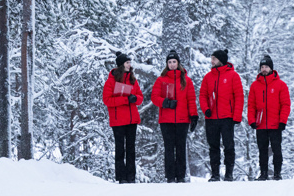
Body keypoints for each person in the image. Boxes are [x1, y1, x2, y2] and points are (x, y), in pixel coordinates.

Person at [151, 50, 198, 183]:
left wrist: (193, 116)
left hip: (183, 120)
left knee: (181, 148)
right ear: (167, 64)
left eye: (174, 62)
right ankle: (170, 176)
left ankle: (181, 176)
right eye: (169, 62)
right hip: (166, 120)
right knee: (169, 148)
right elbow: (154, 97)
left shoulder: (186, 80)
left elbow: (191, 99)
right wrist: (165, 102)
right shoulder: (161, 80)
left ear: (178, 63)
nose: (172, 64)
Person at [199, 49, 244, 181]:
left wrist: (236, 116)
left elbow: (239, 97)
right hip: (211, 118)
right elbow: (202, 95)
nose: (211, 61)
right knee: (213, 146)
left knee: (229, 146)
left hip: (227, 118)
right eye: (211, 58)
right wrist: (205, 109)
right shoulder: (208, 77)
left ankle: (229, 174)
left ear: (221, 60)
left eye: (214, 59)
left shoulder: (233, 76)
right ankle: (215, 174)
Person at [102, 51, 143, 183]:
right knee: (120, 149)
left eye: (130, 62)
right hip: (118, 121)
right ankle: (121, 177)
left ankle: (131, 177)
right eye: (127, 62)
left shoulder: (133, 80)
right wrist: (125, 100)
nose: (129, 65)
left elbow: (140, 98)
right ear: (121, 65)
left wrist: (134, 98)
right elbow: (107, 100)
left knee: (131, 149)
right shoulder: (110, 82)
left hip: (132, 120)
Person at [247, 55, 290, 181]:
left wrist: (283, 121)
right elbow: (251, 105)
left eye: (266, 67)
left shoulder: (281, 85)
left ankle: (277, 173)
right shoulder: (255, 86)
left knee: (277, 149)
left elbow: (285, 104)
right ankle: (263, 173)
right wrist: (252, 120)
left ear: (271, 68)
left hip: (275, 124)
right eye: (262, 67)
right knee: (262, 150)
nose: (264, 69)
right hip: (260, 124)